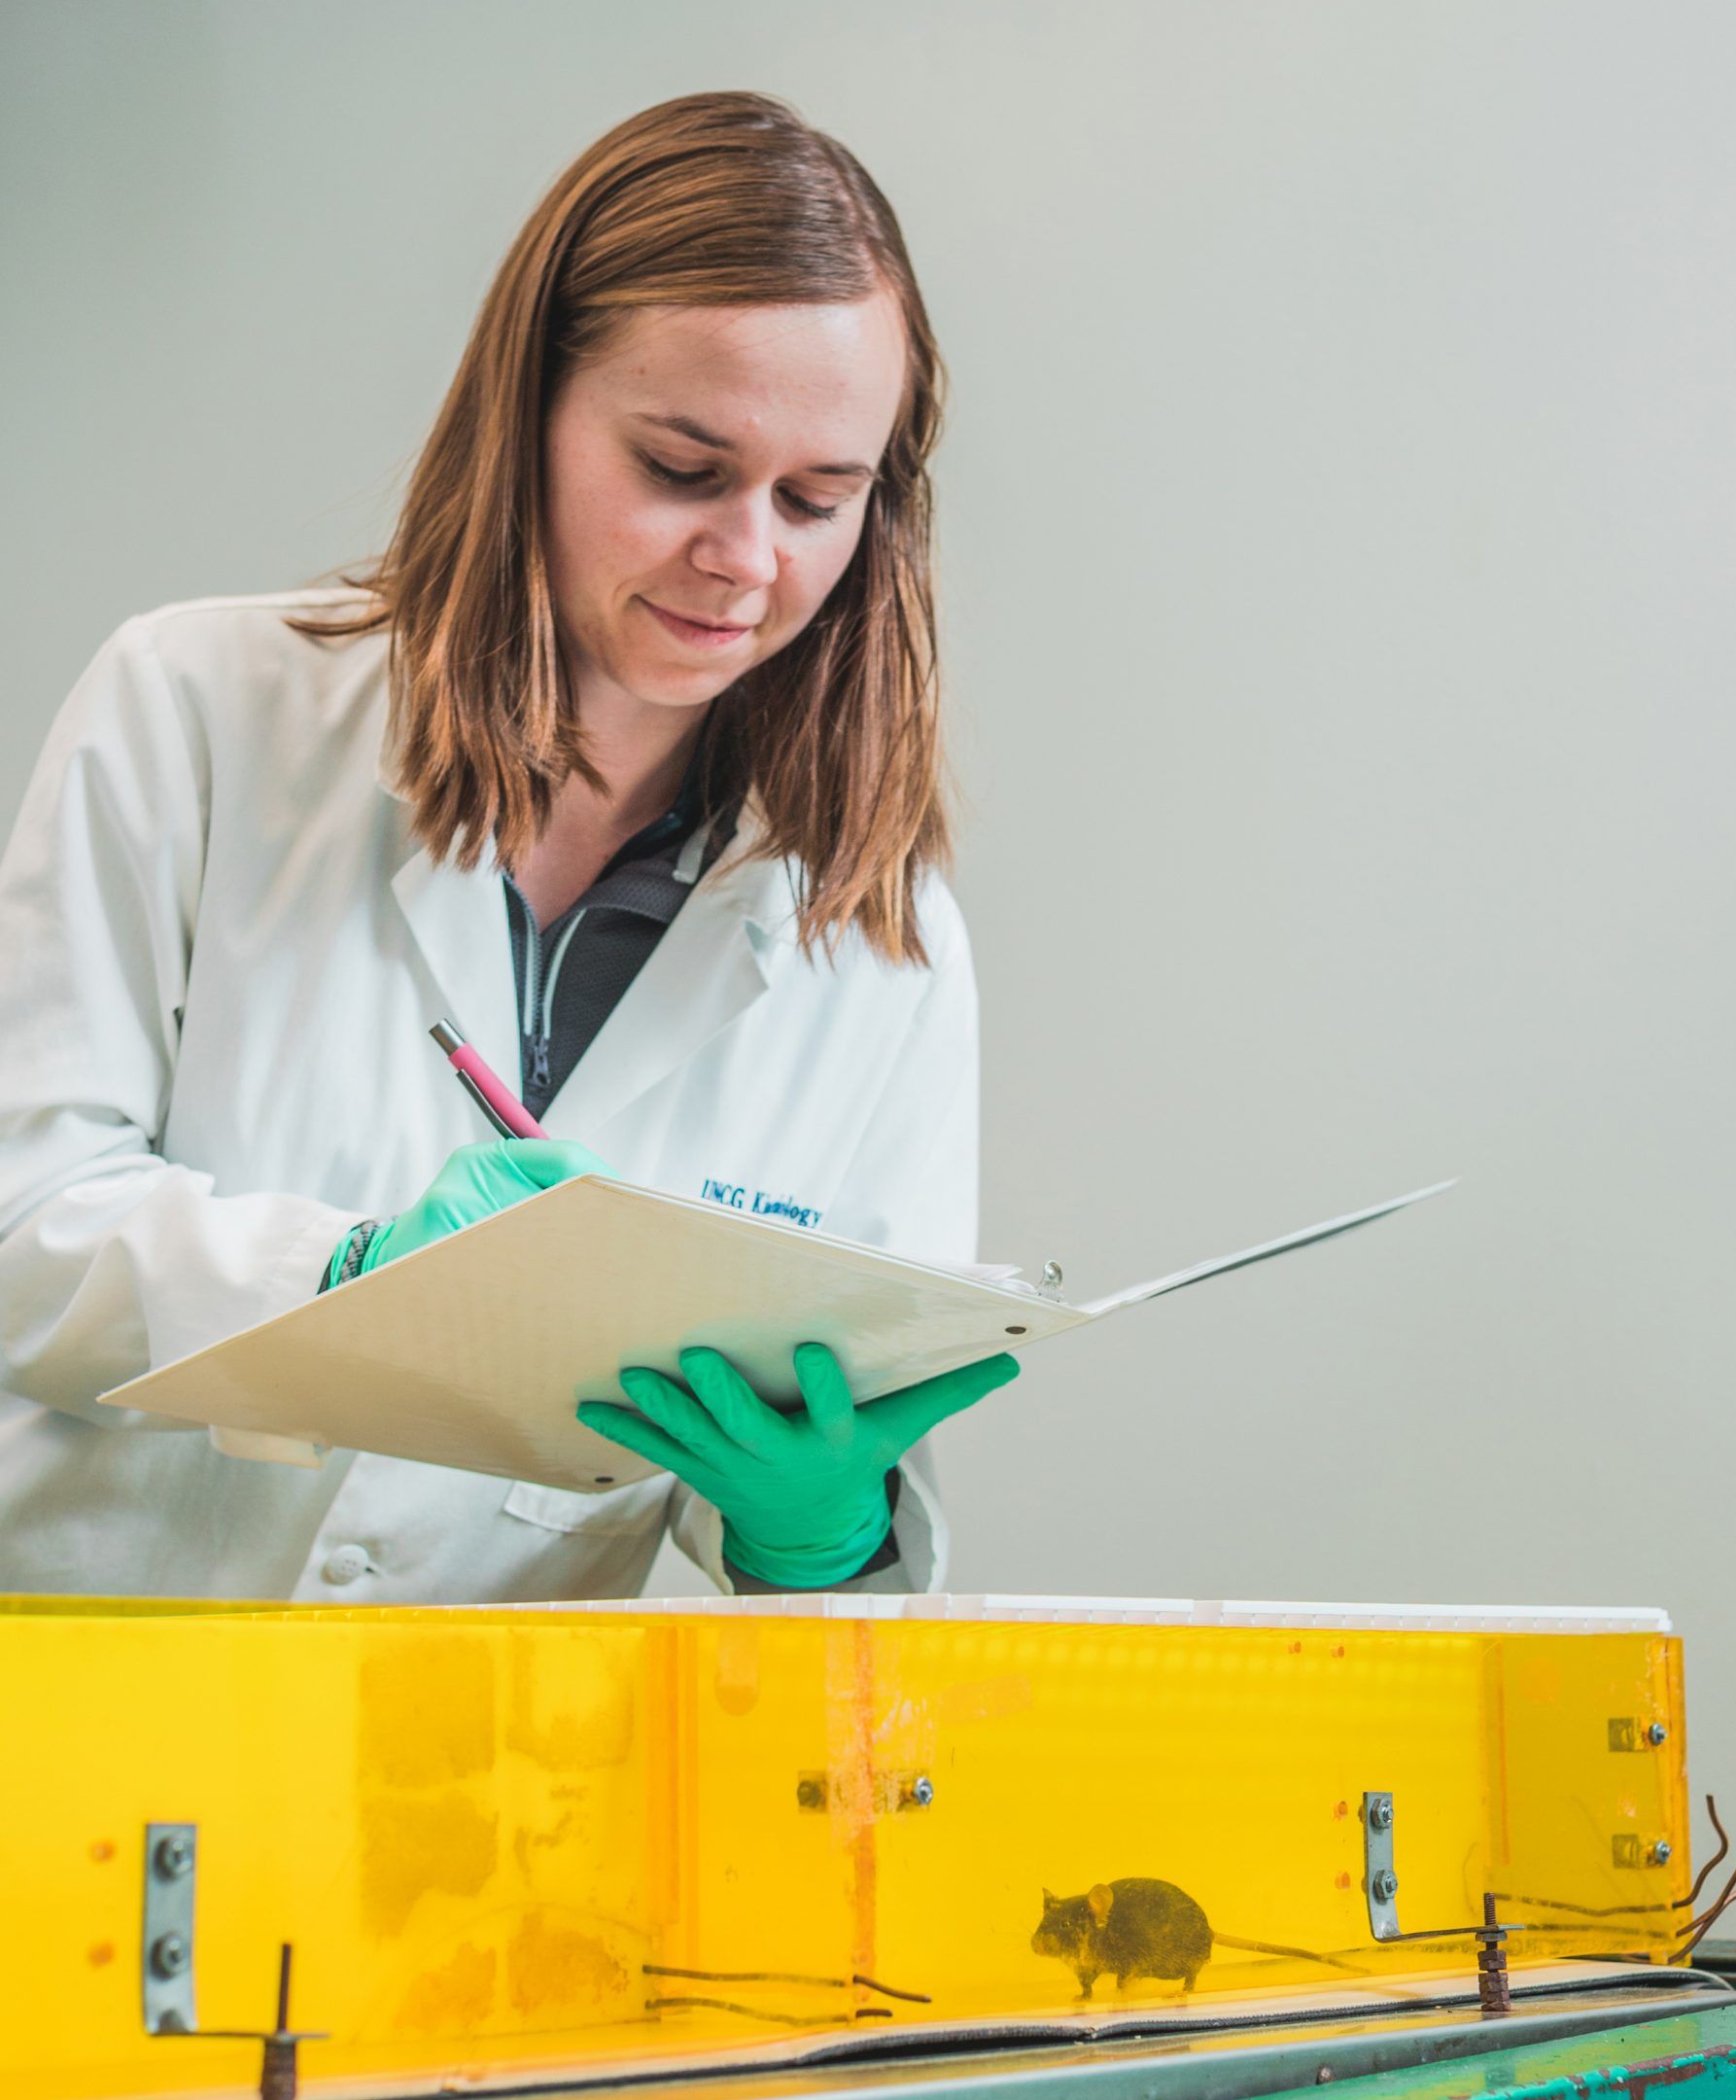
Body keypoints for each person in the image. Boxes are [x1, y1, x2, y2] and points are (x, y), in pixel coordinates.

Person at [0, 90, 1019, 1604]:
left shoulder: (877, 932)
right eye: (683, 467)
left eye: (819, 498)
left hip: (481, 1783)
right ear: (528, 409)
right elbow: (22, 1226)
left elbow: (841, 1590)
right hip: (94, 1715)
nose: (748, 560)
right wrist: (346, 1284)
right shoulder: (198, 711)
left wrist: (821, 1533)